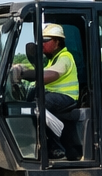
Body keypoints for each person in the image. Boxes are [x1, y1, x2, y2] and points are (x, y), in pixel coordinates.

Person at [11, 23, 80, 160]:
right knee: (31, 98)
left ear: (57, 42)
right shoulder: (51, 60)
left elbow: (49, 76)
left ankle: (57, 148)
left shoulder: (65, 57)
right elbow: (41, 69)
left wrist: (24, 74)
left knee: (40, 105)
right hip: (55, 96)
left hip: (68, 97)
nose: (42, 44)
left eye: (46, 41)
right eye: (41, 41)